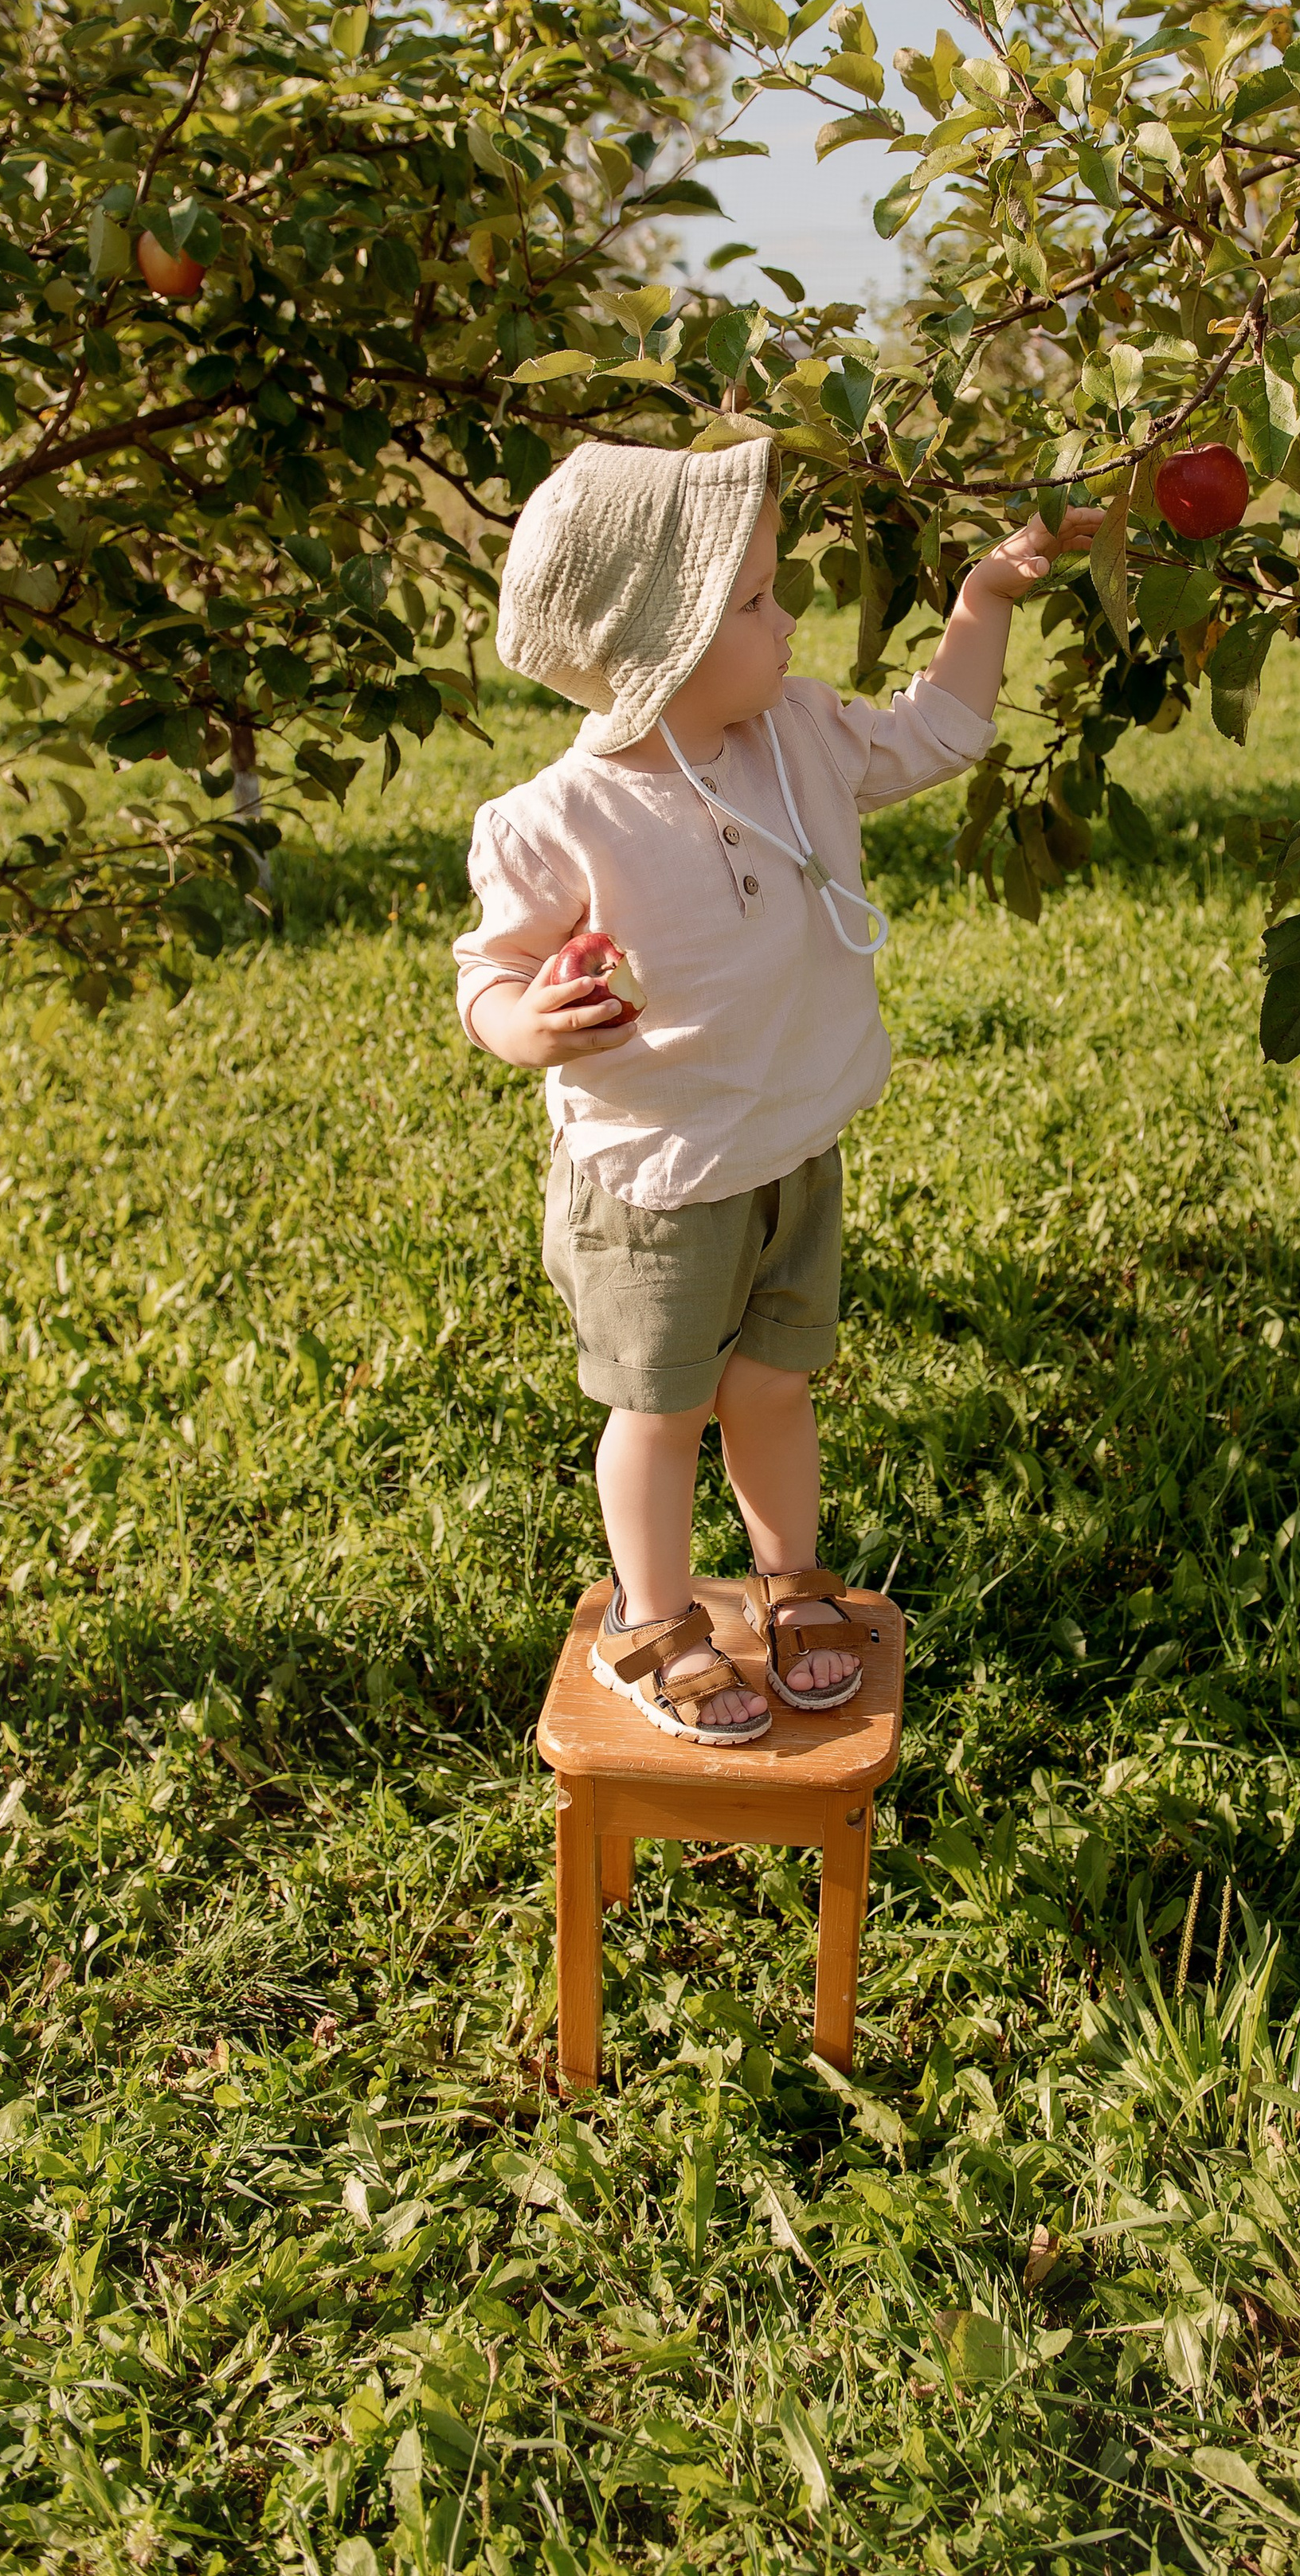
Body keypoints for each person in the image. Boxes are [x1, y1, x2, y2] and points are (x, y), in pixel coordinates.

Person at [454, 435, 1097, 1741]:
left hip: (794, 1144)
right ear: (666, 644)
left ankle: (788, 1574)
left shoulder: (795, 734)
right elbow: (491, 971)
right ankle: (653, 1614)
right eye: (753, 600)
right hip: (660, 1177)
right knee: (663, 1408)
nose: (788, 614)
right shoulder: (558, 819)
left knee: (775, 1386)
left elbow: (937, 733)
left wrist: (982, 603)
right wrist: (531, 1021)